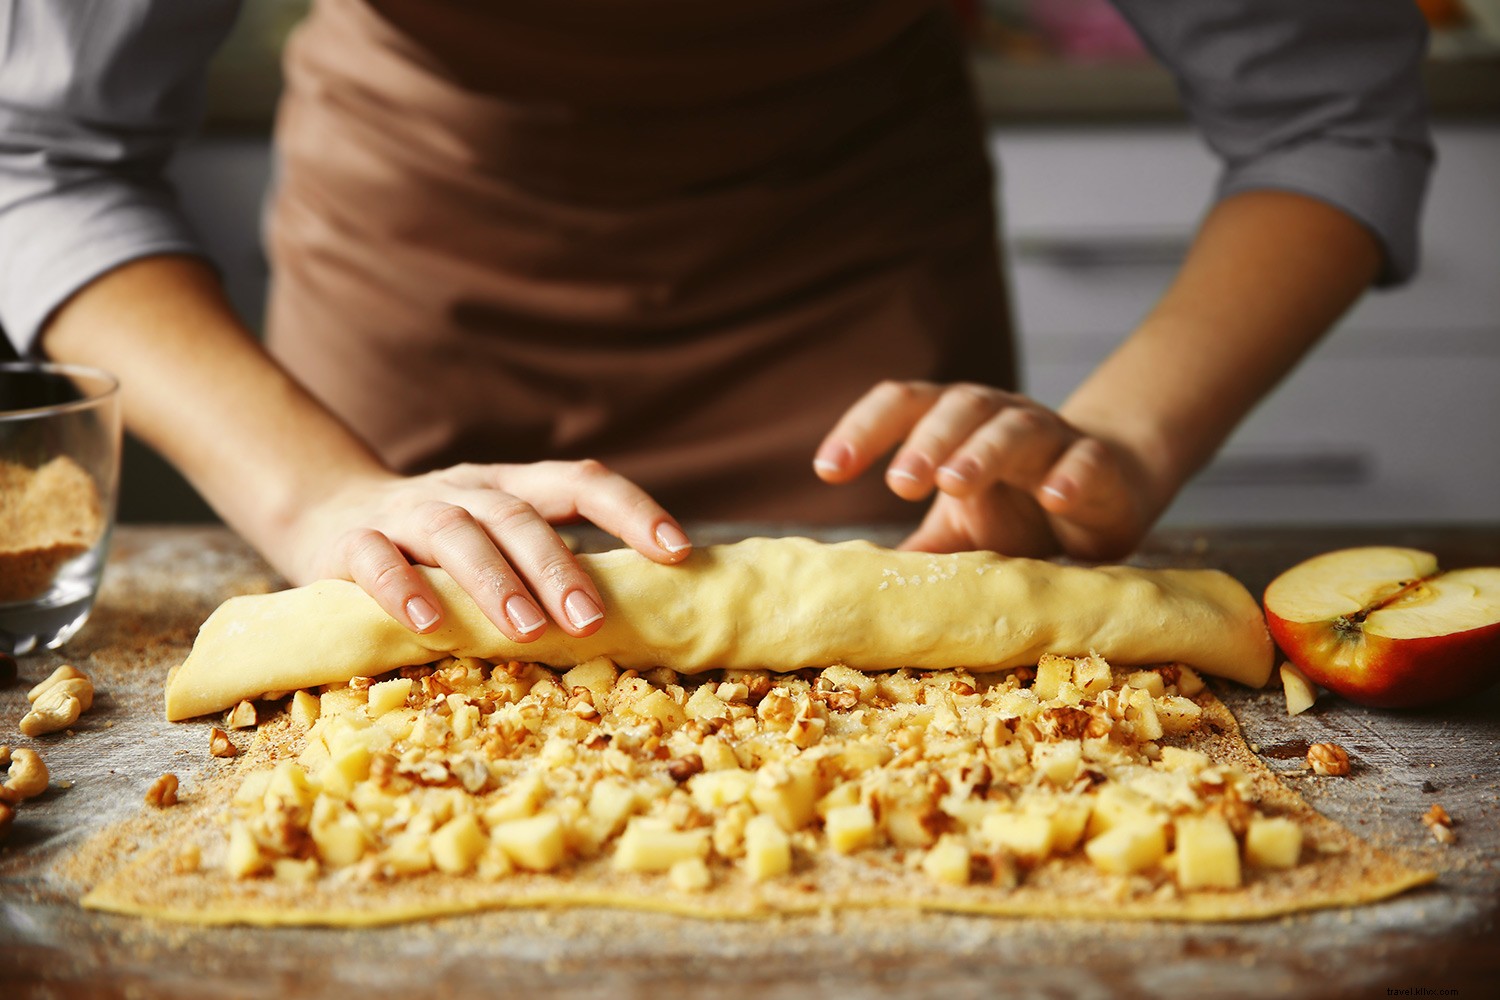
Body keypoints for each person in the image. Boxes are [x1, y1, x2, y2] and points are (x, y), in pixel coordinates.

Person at [0, 1, 1431, 645]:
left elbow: (1326, 108)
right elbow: (38, 145)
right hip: (403, 327)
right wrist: (316, 491)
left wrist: (1120, 436)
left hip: (865, 339)